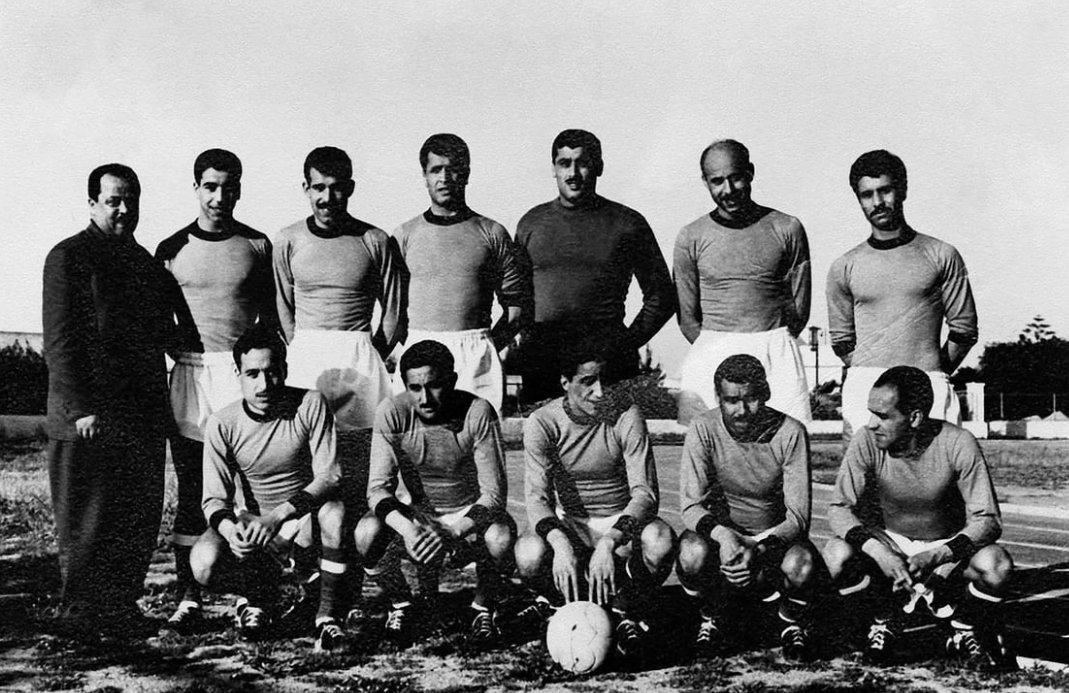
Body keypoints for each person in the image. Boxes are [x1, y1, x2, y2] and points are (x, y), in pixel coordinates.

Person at [42, 163, 175, 634]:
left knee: (135, 516)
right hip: (87, 417)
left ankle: (121, 608)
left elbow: (160, 334)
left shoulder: (144, 262)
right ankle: (78, 613)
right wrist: (83, 409)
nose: (123, 209)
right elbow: (60, 341)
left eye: (130, 200)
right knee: (87, 519)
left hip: (139, 416)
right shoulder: (69, 257)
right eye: (113, 200)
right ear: (92, 203)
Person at [273, 146, 405, 607]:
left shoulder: (375, 240)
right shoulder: (288, 240)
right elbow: (284, 308)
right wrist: (303, 351)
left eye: (337, 188)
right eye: (318, 188)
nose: (327, 198)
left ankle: (353, 581)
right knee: (310, 472)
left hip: (359, 361)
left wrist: (367, 354)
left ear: (350, 188)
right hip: (307, 359)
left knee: (356, 477)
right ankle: (313, 586)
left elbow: (393, 312)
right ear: (305, 188)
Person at [823, 366, 1015, 670]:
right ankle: (882, 619)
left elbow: (988, 520)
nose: (872, 424)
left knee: (996, 565)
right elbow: (838, 509)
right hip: (889, 544)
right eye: (871, 414)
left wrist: (938, 556)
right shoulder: (866, 440)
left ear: (914, 417)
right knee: (835, 554)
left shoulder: (958, 442)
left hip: (944, 550)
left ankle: (963, 626)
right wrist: (881, 553)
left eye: (883, 416)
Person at [155, 148, 276, 631]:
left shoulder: (257, 245)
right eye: (210, 186)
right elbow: (158, 321)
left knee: (246, 490)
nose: (219, 197)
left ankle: (253, 595)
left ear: (239, 190)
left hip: (240, 374)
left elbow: (271, 318)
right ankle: (188, 596)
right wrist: (184, 352)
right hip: (191, 375)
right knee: (192, 489)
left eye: (229, 187)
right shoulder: (171, 247)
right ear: (196, 188)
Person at [192, 325, 349, 652]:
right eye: (252, 374)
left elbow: (330, 475)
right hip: (254, 523)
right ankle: (260, 593)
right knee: (203, 563)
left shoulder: (310, 403)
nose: (263, 384)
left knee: (335, 514)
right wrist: (232, 532)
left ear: (285, 370)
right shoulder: (223, 422)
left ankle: (326, 614)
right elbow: (213, 500)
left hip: (301, 518)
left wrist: (278, 517)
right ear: (238, 374)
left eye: (271, 372)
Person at [514, 342, 676, 659]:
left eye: (605, 380)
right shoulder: (542, 422)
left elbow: (645, 493)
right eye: (588, 381)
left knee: (660, 540)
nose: (600, 392)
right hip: (570, 523)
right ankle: (555, 603)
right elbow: (537, 499)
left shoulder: (627, 415)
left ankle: (629, 607)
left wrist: (610, 541)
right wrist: (561, 544)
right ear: (565, 382)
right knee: (528, 552)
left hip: (618, 522)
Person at [356, 340, 514, 646]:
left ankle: (482, 608)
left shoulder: (477, 411)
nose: (425, 398)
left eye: (434, 386)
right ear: (404, 385)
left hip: (466, 517)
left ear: (452, 381)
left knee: (501, 537)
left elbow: (494, 495)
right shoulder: (392, 412)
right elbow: (377, 489)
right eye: (415, 388)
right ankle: (402, 604)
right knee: (365, 533)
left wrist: (452, 532)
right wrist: (409, 530)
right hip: (419, 516)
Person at [515, 129, 676, 403]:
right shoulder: (531, 223)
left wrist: (625, 343)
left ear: (599, 167)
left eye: (583, 163)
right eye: (564, 163)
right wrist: (528, 341)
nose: (573, 173)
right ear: (553, 169)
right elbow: (517, 296)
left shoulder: (628, 223)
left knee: (610, 427)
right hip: (544, 357)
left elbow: (662, 295)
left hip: (605, 355)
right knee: (543, 427)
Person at [827, 150, 978, 439]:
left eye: (885, 190)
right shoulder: (844, 265)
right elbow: (841, 340)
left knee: (936, 468)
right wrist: (869, 371)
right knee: (866, 469)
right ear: (858, 199)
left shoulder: (941, 254)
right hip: (866, 388)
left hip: (928, 384)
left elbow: (964, 330)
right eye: (867, 194)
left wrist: (932, 372)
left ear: (903, 189)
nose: (877, 202)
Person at [677, 354, 818, 660]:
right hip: (724, 540)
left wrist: (759, 547)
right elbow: (690, 506)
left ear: (765, 394)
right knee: (690, 552)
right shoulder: (703, 428)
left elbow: (798, 517)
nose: (741, 410)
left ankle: (790, 620)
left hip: (771, 539)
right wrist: (725, 537)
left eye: (751, 398)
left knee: (802, 564)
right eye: (731, 400)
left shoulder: (790, 432)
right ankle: (710, 614)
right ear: (719, 398)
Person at [391, 134, 529, 415]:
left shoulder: (492, 232)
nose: (444, 178)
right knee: (416, 438)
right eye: (435, 170)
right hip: (419, 353)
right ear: (425, 176)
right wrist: (415, 345)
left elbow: (516, 310)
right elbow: (393, 310)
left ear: (465, 173)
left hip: (475, 356)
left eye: (452, 169)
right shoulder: (404, 235)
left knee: (478, 435)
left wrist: (485, 346)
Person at [674, 140, 811, 423]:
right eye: (717, 181)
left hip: (775, 351)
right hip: (712, 351)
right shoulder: (691, 236)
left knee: (784, 439)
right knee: (708, 442)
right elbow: (687, 319)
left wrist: (771, 340)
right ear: (705, 181)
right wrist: (716, 346)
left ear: (750, 173)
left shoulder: (787, 227)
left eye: (736, 178)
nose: (728, 190)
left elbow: (799, 308)